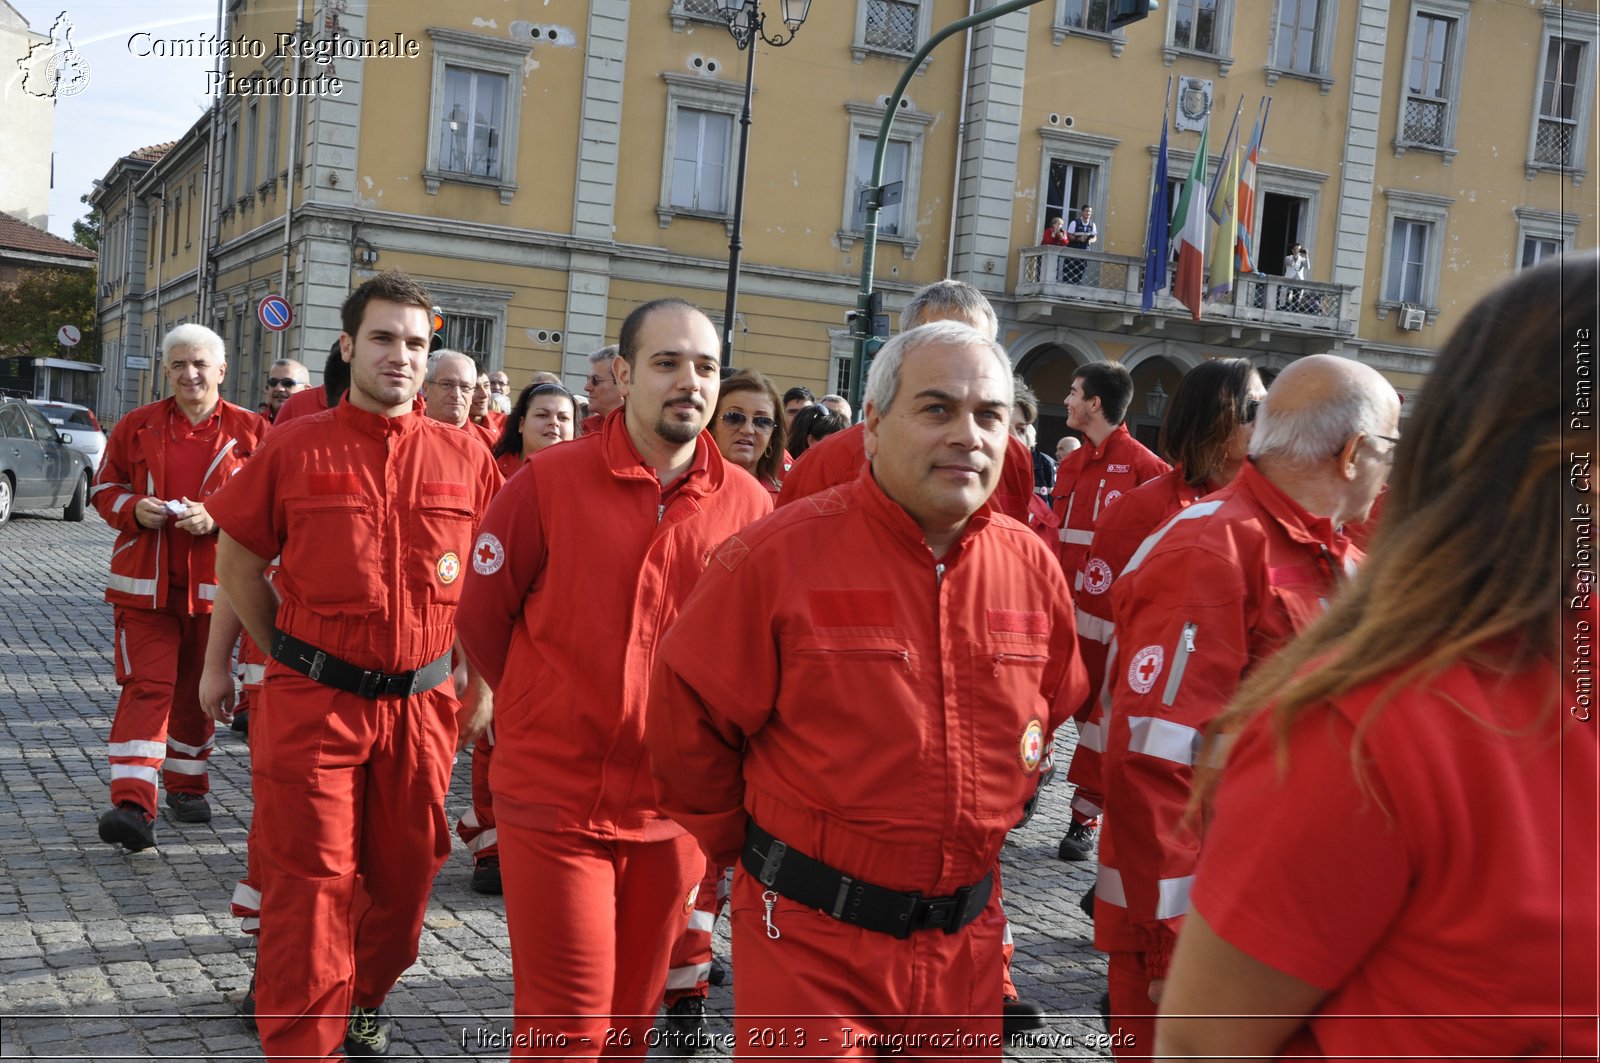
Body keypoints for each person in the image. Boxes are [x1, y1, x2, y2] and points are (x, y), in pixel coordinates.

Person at [1158, 253, 1598, 1062]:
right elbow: (1159, 746)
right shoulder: (1373, 716)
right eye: (1383, 448)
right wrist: (1154, 932)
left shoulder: (1344, 560)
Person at [648, 321, 1088, 1055]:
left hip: (964, 953)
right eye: (937, 409)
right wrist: (768, 850)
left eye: (989, 415)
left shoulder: (1031, 566)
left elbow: (1057, 697)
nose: (968, 435)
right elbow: (688, 729)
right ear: (875, 425)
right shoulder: (773, 558)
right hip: (812, 944)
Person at [455, 297, 771, 1058]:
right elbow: (484, 617)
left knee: (629, 1026)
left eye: (704, 366)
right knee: (567, 1024)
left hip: (675, 814)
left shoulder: (751, 508)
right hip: (554, 800)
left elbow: (755, 656)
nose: (688, 382)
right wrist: (539, 706)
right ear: (626, 375)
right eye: (667, 363)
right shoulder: (546, 482)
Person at [205, 271, 500, 1061]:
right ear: (347, 346)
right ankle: (306, 1043)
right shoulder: (295, 444)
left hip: (422, 706)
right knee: (311, 888)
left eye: (414, 341)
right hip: (314, 704)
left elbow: (485, 578)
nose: (399, 355)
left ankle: (366, 994)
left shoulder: (466, 455)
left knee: (404, 885)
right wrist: (281, 652)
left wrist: (482, 683)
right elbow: (238, 556)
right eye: (382, 338)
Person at [1093, 354, 1398, 1056]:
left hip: (1287, 923)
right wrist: (1176, 950)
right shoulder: (1212, 548)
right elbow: (1154, 760)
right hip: (1211, 933)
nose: (1392, 470)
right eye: (1391, 448)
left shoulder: (1333, 554)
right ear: (1353, 454)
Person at [1067, 358, 1263, 922]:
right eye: (1255, 410)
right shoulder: (1146, 510)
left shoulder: (1269, 514)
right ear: (1215, 423)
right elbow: (1099, 643)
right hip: (1159, 767)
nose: (1268, 421)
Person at [91, 324, 269, 851]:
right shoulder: (136, 424)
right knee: (146, 687)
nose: (189, 374)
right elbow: (104, 488)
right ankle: (131, 802)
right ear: (165, 370)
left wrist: (216, 516)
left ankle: (187, 785)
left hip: (218, 589)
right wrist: (132, 509)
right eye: (178, 365)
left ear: (221, 370)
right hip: (143, 587)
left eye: (199, 364)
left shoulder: (253, 430)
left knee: (199, 691)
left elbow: (272, 504)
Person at [780, 280, 1037, 526]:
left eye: (974, 345)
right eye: (942, 342)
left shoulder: (1013, 458)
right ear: (903, 350)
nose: (960, 361)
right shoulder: (829, 461)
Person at [1050, 361, 1170, 861]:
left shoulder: (1148, 470)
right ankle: (1031, 778)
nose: (1067, 402)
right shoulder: (1072, 464)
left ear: (1095, 403)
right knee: (1046, 706)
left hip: (1111, 626)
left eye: (1074, 393)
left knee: (1099, 725)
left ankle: (1085, 817)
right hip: (1061, 614)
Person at [709, 368, 788, 501]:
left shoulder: (784, 503)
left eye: (762, 421)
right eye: (734, 417)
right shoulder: (683, 490)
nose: (747, 430)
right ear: (712, 427)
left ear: (772, 438)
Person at [489, 381, 579, 479]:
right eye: (542, 415)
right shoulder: (491, 472)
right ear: (521, 424)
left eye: (563, 417)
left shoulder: (583, 477)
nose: (554, 422)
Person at [274, 343, 349, 424]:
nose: (279, 388)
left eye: (288, 383)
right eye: (272, 382)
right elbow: (276, 436)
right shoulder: (296, 404)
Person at [581, 343, 624, 433]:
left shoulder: (649, 434)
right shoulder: (582, 430)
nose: (586, 387)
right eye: (588, 379)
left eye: (595, 380)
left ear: (623, 382)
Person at [1063, 205, 1097, 283]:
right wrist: (1077, 239)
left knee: (1080, 271)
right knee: (1069, 271)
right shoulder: (1075, 222)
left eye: (1090, 211)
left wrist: (1090, 241)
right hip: (1073, 250)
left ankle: (1076, 291)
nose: (1088, 213)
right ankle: (1065, 291)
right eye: (1086, 211)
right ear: (1082, 212)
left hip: (1085, 251)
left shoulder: (1092, 225)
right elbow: (1069, 235)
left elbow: (1095, 237)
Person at [1282, 243, 1310, 312]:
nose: (1299, 251)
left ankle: (1293, 317)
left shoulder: (1302, 259)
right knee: (1285, 301)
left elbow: (1308, 267)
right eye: (1297, 249)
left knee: (1296, 302)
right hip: (1288, 282)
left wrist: (1306, 255)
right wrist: (1295, 256)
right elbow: (1292, 264)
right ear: (1293, 250)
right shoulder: (1288, 258)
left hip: (1298, 283)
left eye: (1300, 249)